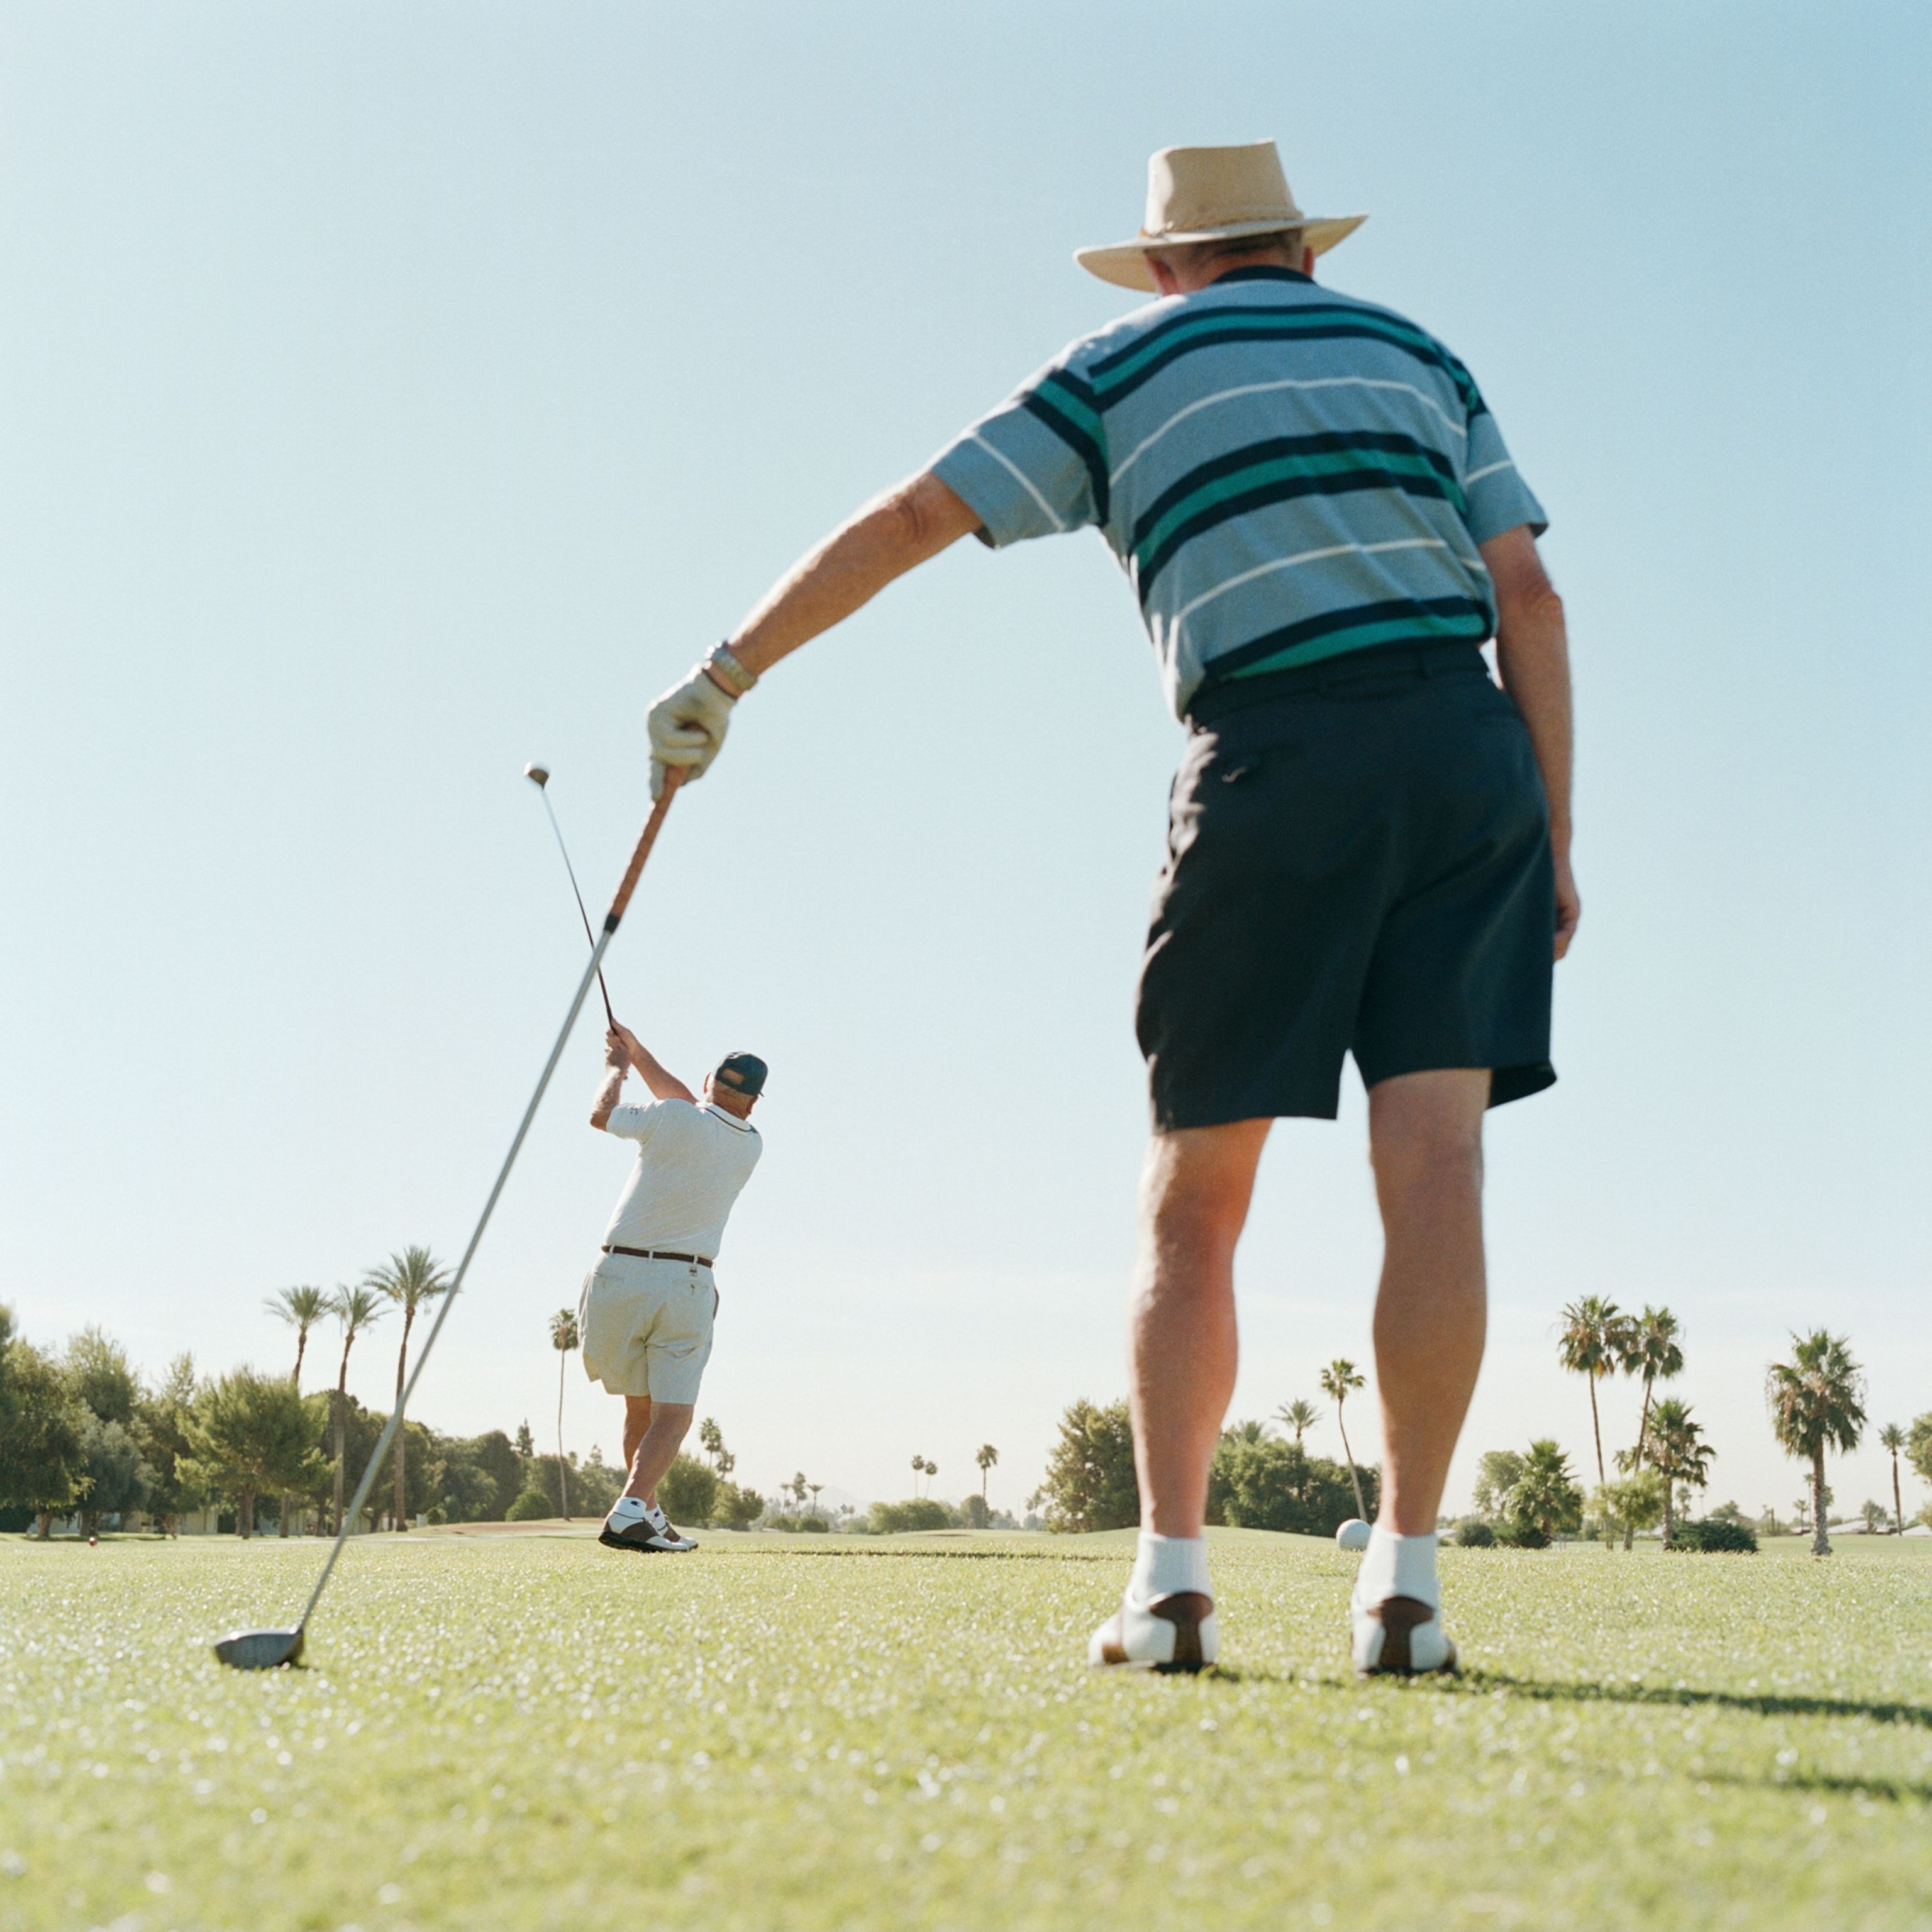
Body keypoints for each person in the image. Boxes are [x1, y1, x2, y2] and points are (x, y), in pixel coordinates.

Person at [645, 142, 1577, 1670]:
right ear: (1296, 250)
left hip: (1272, 752)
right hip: (1464, 756)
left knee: (1194, 1194)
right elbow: (1527, 596)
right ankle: (1402, 1588)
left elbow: (906, 519)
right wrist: (1546, 826)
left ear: (1160, 264)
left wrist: (724, 669)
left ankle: (1168, 1589)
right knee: (1436, 1166)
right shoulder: (1418, 353)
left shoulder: (1114, 363)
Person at [580, 1021, 766, 1553]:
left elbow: (602, 1115)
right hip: (685, 1282)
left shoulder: (672, 1117)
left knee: (640, 1410)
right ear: (753, 1103)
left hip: (615, 1276)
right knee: (673, 1412)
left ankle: (647, 1513)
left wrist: (618, 1067)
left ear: (708, 1080)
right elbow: (690, 1106)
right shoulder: (751, 1144)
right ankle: (631, 1509)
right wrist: (637, 1053)